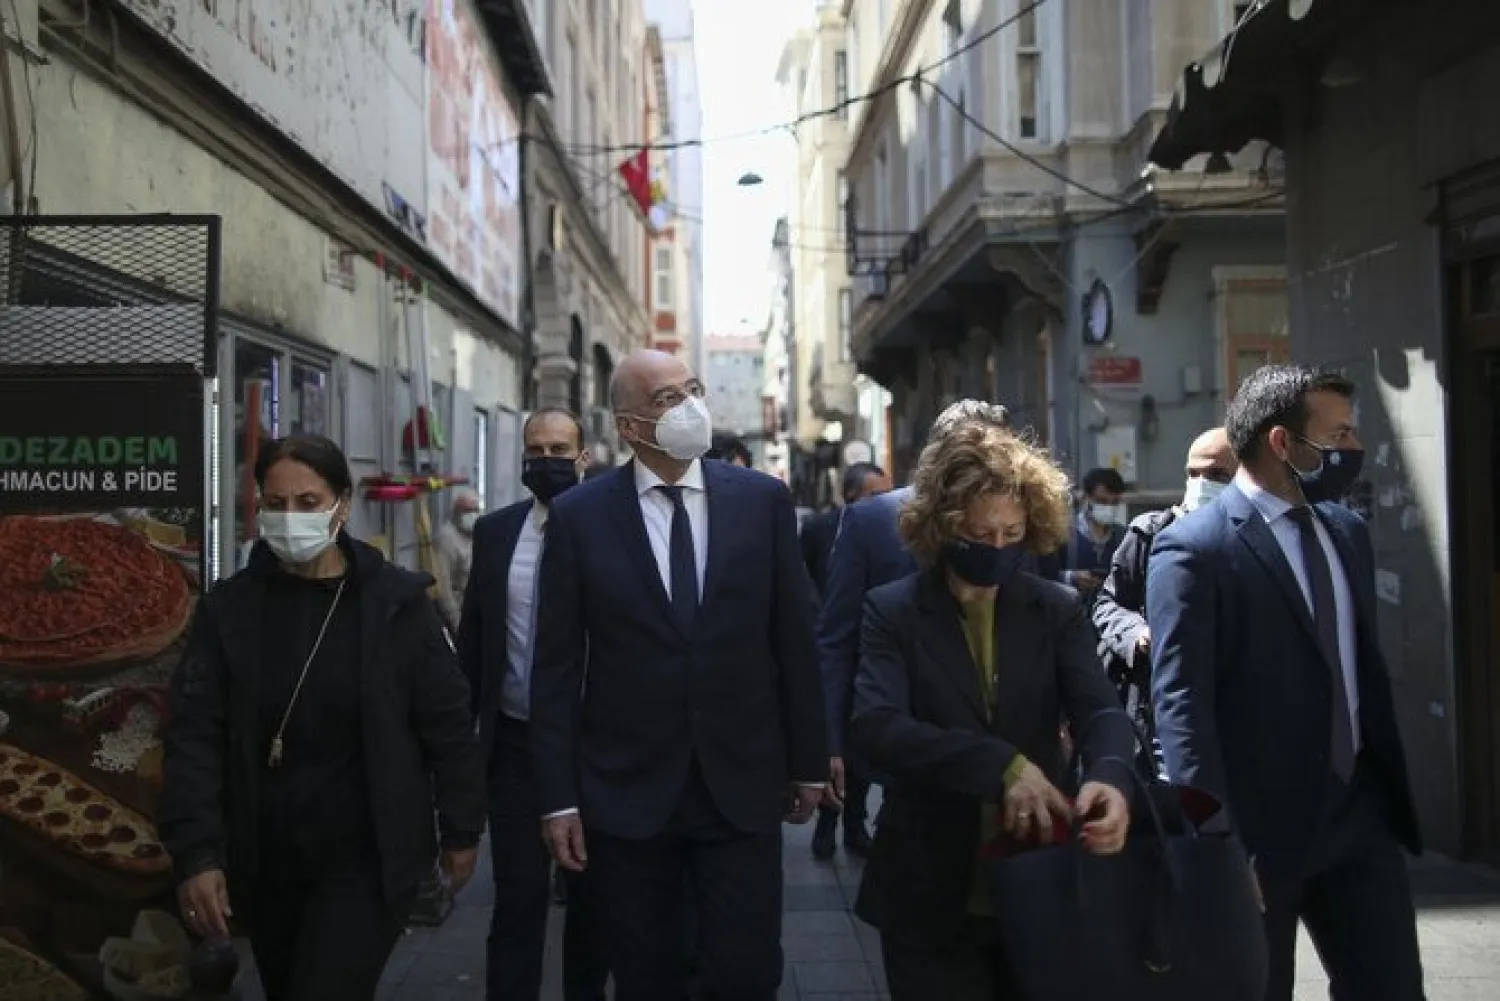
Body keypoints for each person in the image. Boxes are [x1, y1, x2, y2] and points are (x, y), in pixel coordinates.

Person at [529, 349, 827, 1001]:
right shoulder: (581, 516)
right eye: (667, 399)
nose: (690, 407)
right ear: (628, 426)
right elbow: (554, 669)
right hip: (627, 791)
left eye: (693, 390)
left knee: (747, 970)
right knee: (646, 975)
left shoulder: (761, 501)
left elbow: (794, 638)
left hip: (741, 782)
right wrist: (558, 798)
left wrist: (809, 759)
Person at [159, 434, 485, 1001]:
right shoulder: (230, 610)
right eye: (276, 503)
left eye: (307, 502)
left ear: (342, 505)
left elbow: (448, 723)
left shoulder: (395, 606)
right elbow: (195, 735)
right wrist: (197, 852)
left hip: (367, 857)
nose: (290, 517)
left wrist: (461, 827)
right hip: (265, 859)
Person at [1148, 365, 1424, 1001]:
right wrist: (1217, 844)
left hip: (1359, 817)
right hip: (1256, 835)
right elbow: (1182, 708)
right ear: (1281, 442)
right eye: (1339, 433)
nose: (1354, 447)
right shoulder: (1194, 550)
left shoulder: (1347, 533)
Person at [852, 421, 1135, 1000]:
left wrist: (1110, 776)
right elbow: (879, 727)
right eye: (981, 534)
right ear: (943, 525)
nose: (999, 548)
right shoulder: (893, 610)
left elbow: (1101, 712)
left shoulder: (1055, 608)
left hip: (1039, 881)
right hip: (929, 887)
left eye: (1013, 533)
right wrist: (1002, 767)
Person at [457, 408, 610, 1001]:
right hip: (516, 746)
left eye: (559, 449)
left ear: (583, 457)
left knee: (593, 905)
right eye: (536, 450)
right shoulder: (496, 533)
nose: (547, 460)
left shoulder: (613, 532)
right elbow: (476, 641)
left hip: (595, 748)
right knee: (517, 901)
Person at [816, 400, 1010, 854]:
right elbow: (837, 640)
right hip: (907, 748)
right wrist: (828, 743)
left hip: (1003, 738)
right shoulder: (871, 522)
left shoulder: (1024, 521)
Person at [1092, 427, 1237, 773]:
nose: (1201, 484)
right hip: (1156, 721)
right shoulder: (1150, 534)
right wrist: (1137, 633)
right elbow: (1107, 605)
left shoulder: (1260, 543)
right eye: (1193, 473)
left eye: (1217, 475)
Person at [800, 462, 889, 599]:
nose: (883, 502)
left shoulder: (889, 529)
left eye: (887, 495)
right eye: (876, 495)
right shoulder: (817, 529)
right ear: (851, 495)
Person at [1043, 467, 1128, 599]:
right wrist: (1071, 577)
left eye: (1114, 503)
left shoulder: (1123, 537)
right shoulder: (1061, 533)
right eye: (1101, 501)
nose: (1109, 508)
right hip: (1069, 606)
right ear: (1086, 498)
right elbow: (1042, 575)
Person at [435, 488, 481, 634]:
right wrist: (457, 622)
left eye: (475, 510)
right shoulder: (447, 537)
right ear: (456, 512)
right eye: (467, 511)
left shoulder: (478, 533)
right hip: (459, 612)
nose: (472, 515)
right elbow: (444, 587)